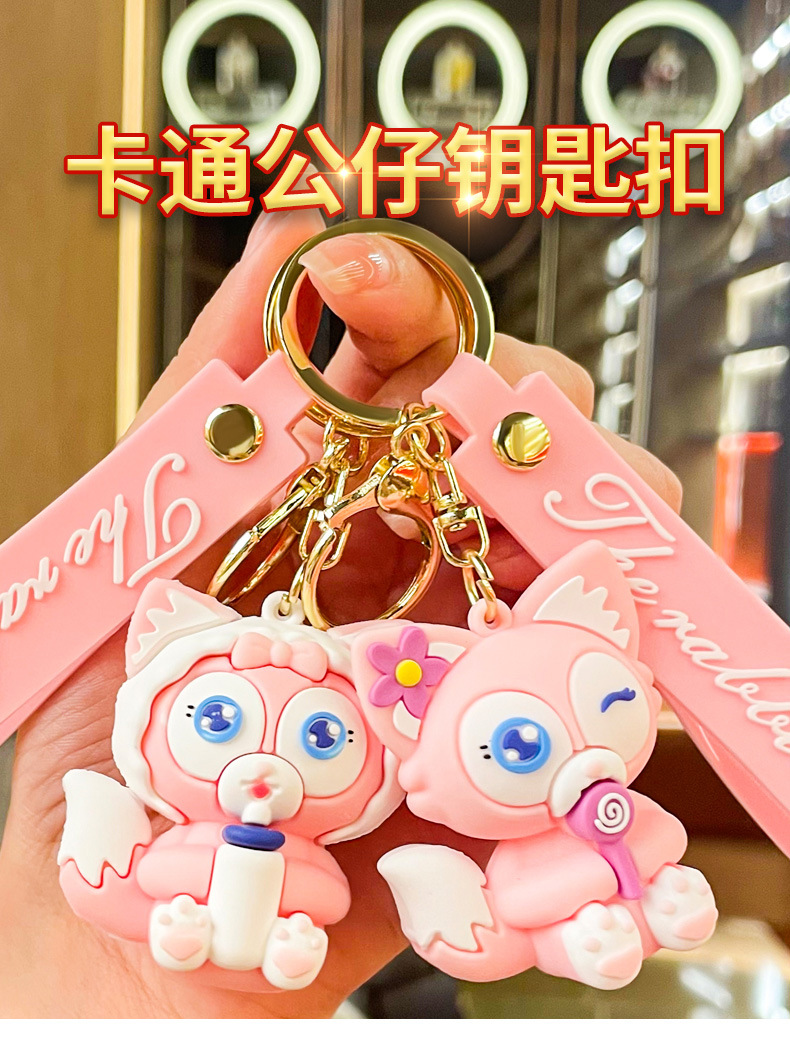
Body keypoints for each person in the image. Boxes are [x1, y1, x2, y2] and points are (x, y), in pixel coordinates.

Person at [0, 208, 681, 1018]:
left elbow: (320, 889)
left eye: (325, 735)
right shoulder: (176, 821)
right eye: (215, 720)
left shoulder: (354, 818)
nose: (262, 767)